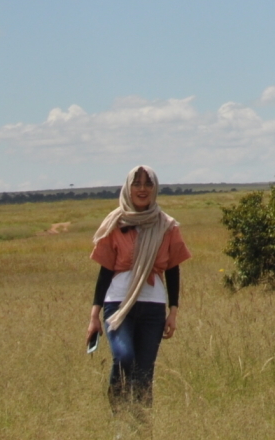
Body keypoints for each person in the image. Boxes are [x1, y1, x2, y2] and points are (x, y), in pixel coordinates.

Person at [88, 165, 190, 415]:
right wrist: (94, 316)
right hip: (118, 305)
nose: (142, 189)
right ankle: (119, 420)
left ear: (154, 189)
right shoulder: (115, 223)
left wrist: (173, 312)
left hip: (153, 307)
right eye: (137, 184)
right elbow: (104, 272)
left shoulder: (167, 225)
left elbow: (173, 269)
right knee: (123, 358)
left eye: (147, 184)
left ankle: (142, 427)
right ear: (128, 187)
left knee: (144, 373)